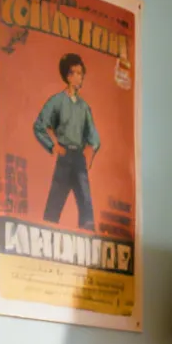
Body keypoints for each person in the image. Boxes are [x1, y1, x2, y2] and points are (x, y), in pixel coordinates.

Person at [33, 53, 100, 231]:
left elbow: (94, 137)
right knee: (53, 209)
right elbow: (39, 125)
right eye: (77, 73)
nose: (80, 77)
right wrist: (52, 146)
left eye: (81, 73)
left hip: (79, 160)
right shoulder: (57, 101)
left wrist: (89, 155)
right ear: (68, 76)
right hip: (64, 158)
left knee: (86, 210)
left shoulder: (84, 107)